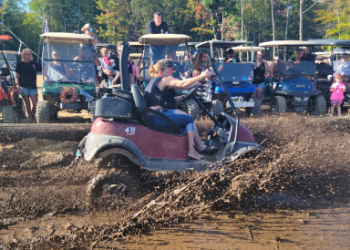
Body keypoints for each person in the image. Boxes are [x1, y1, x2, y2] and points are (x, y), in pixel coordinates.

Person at [145, 59, 217, 160]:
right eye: (168, 71)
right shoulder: (164, 79)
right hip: (158, 116)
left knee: (186, 118)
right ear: (161, 72)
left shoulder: (153, 82)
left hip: (155, 115)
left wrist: (196, 83)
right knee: (189, 119)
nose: (170, 74)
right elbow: (182, 84)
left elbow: (158, 98)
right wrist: (201, 76)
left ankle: (198, 147)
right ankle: (191, 151)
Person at [15, 48, 42, 121]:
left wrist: (44, 62)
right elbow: (17, 76)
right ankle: (30, 117)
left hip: (33, 86)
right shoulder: (20, 64)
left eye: (30, 54)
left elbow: (41, 69)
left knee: (35, 103)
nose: (29, 55)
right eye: (27, 54)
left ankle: (33, 115)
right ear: (23, 55)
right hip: (23, 86)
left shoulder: (33, 64)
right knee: (27, 103)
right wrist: (17, 86)